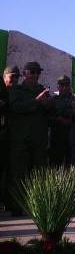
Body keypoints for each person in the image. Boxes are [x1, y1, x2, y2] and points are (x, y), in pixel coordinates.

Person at [8, 61, 52, 216]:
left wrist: (48, 104)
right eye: (32, 72)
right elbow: (15, 108)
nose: (35, 75)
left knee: (38, 174)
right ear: (25, 73)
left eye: (37, 72)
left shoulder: (43, 90)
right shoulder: (16, 90)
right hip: (21, 140)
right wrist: (36, 101)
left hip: (39, 141)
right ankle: (17, 207)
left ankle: (36, 206)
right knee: (19, 174)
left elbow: (51, 113)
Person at [1, 66, 20, 211]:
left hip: (12, 139)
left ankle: (9, 203)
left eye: (17, 77)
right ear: (4, 76)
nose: (14, 79)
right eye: (11, 76)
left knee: (12, 171)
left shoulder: (18, 93)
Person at [49, 75, 73, 166]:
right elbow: (48, 118)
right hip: (56, 138)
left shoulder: (74, 99)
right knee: (55, 165)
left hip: (70, 138)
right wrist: (58, 120)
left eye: (66, 85)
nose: (64, 87)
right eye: (62, 85)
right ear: (58, 86)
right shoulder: (53, 100)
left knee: (70, 166)